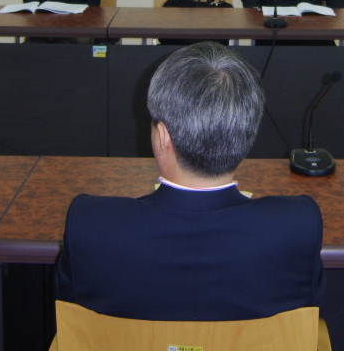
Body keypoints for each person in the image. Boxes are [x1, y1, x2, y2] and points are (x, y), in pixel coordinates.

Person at [55, 42, 326, 321]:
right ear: (248, 132)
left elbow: (70, 317)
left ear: (163, 137)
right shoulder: (298, 226)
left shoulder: (91, 225)